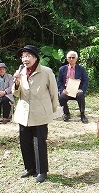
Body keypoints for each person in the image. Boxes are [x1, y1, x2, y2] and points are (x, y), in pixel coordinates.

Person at [13, 45, 59, 183]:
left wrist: (53, 109)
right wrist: (16, 81)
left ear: (35, 57)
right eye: (22, 56)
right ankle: (30, 168)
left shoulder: (46, 72)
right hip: (23, 112)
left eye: (27, 56)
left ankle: (42, 171)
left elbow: (53, 92)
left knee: (40, 143)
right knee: (24, 142)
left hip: (40, 112)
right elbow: (16, 93)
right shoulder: (21, 72)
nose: (24, 59)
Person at [57, 50, 90, 124]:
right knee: (61, 97)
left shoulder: (81, 69)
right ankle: (66, 113)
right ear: (67, 59)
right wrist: (62, 89)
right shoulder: (62, 69)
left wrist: (82, 89)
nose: (71, 59)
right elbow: (59, 81)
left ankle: (82, 114)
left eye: (73, 57)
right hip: (67, 90)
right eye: (69, 57)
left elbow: (86, 80)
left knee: (80, 95)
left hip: (77, 90)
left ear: (76, 59)